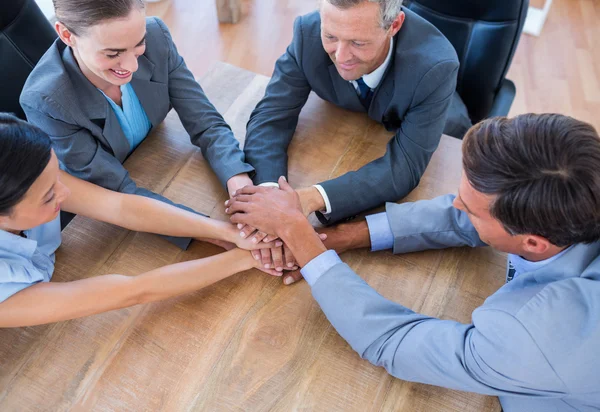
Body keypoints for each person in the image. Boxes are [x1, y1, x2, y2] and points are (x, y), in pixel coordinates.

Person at [226, 113, 600, 411]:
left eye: (470, 206)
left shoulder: (535, 336)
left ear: (534, 242)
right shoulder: (578, 189)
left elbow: (392, 340)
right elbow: (460, 216)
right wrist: (336, 239)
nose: (455, 202)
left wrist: (300, 236)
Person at [0, 114, 284, 328]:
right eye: (50, 196)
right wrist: (248, 259)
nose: (65, 192)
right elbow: (132, 291)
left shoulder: (28, 172)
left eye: (57, 177)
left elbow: (121, 207)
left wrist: (228, 232)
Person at [19, 0, 262, 251]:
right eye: (113, 54)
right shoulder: (47, 100)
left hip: (156, 155)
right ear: (67, 35)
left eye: (138, 45)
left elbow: (206, 124)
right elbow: (120, 192)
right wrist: (216, 233)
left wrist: (241, 188)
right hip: (104, 205)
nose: (132, 66)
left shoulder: (157, 34)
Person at [240, 0, 471, 236]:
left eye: (358, 42)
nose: (340, 56)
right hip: (348, 124)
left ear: (394, 25)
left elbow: (404, 169)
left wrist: (311, 198)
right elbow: (270, 117)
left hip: (446, 137)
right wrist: (270, 194)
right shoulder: (307, 32)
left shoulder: (436, 66)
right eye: (330, 37)